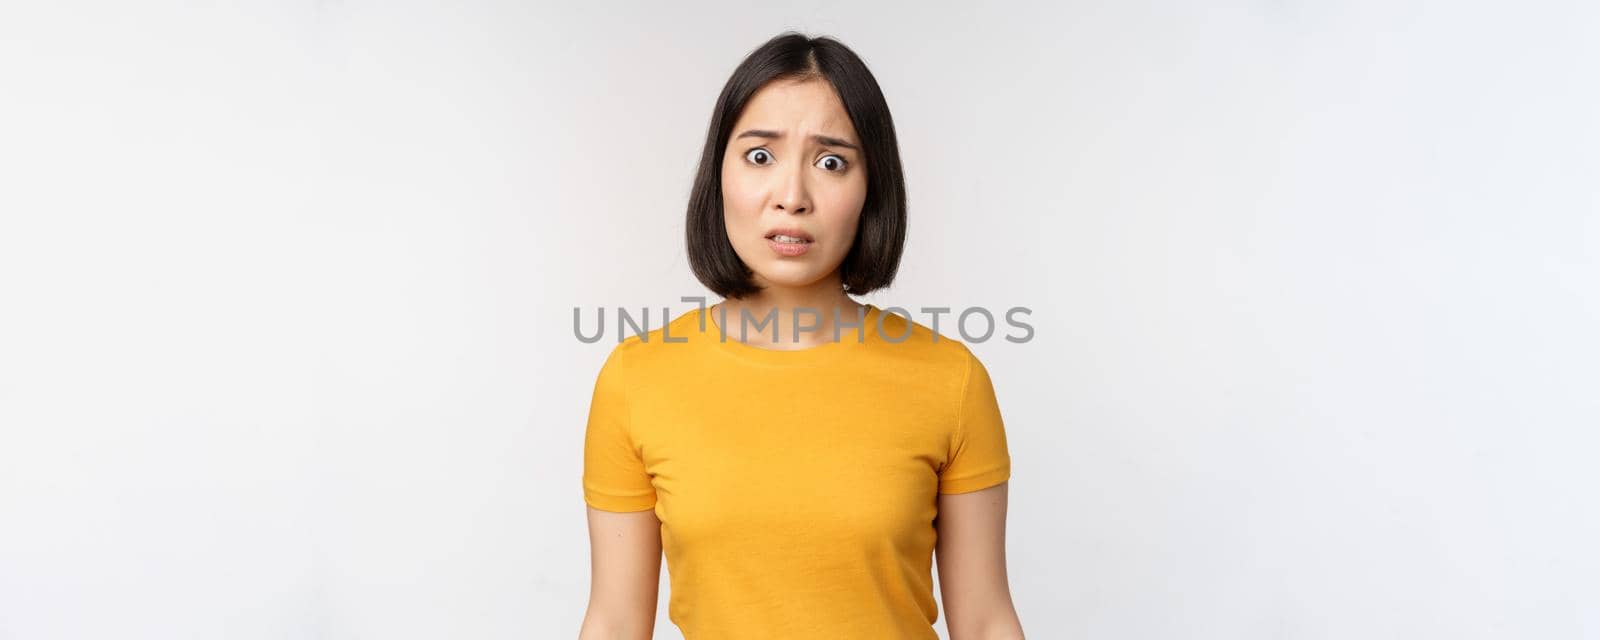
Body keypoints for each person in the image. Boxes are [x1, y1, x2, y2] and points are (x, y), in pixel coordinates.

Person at [579, 31, 1024, 640]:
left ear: (872, 189)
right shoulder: (636, 379)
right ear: (719, 175)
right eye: (760, 157)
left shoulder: (951, 379)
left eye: (831, 161)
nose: (791, 197)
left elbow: (985, 622)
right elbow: (614, 622)